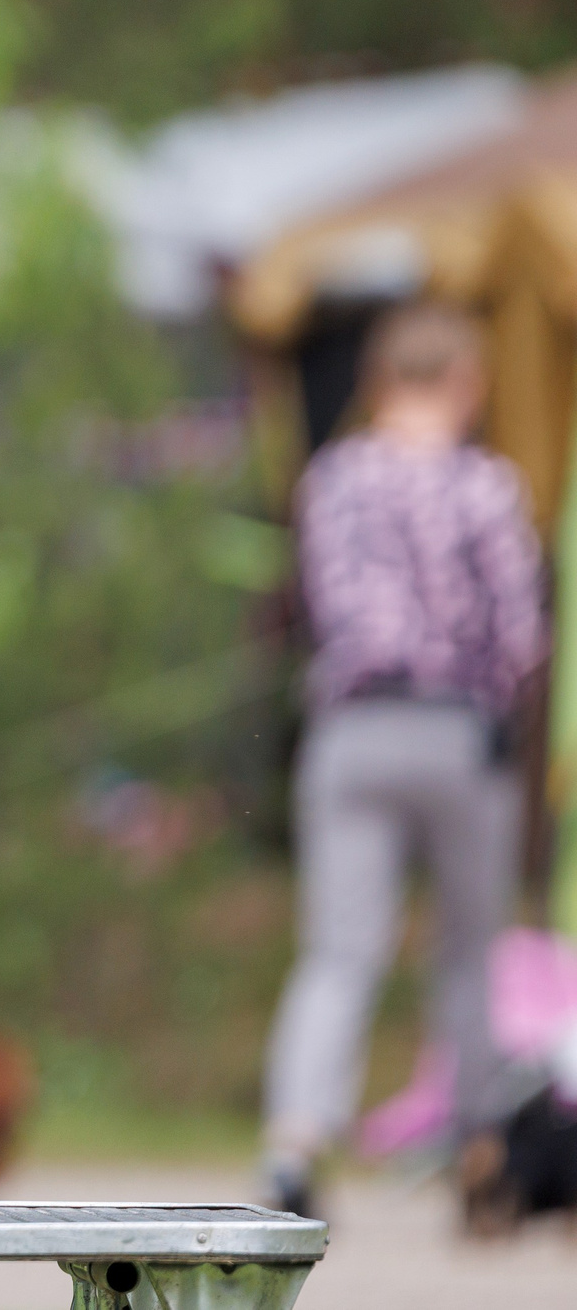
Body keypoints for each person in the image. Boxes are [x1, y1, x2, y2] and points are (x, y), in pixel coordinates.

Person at [261, 301, 545, 1220]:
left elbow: (310, 601)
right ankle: (478, 1146)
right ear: (464, 382)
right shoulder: (485, 486)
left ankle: (299, 1138)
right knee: (467, 950)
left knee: (338, 953)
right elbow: (522, 634)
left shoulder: (332, 478)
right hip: (459, 735)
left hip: (351, 736)